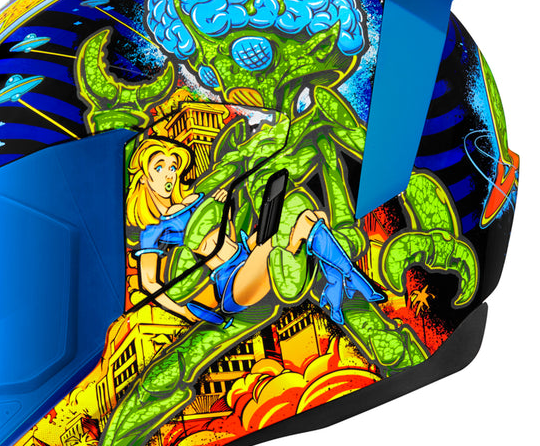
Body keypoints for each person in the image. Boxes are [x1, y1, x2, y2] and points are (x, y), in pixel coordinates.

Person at [125, 136, 383, 326]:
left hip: (244, 251)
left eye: (172, 167)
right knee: (283, 236)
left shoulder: (195, 199)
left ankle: (340, 283)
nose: (169, 175)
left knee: (309, 217)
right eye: (159, 167)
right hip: (231, 281)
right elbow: (149, 283)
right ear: (144, 177)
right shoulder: (153, 231)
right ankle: (344, 280)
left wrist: (224, 208)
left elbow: (227, 232)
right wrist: (183, 311)